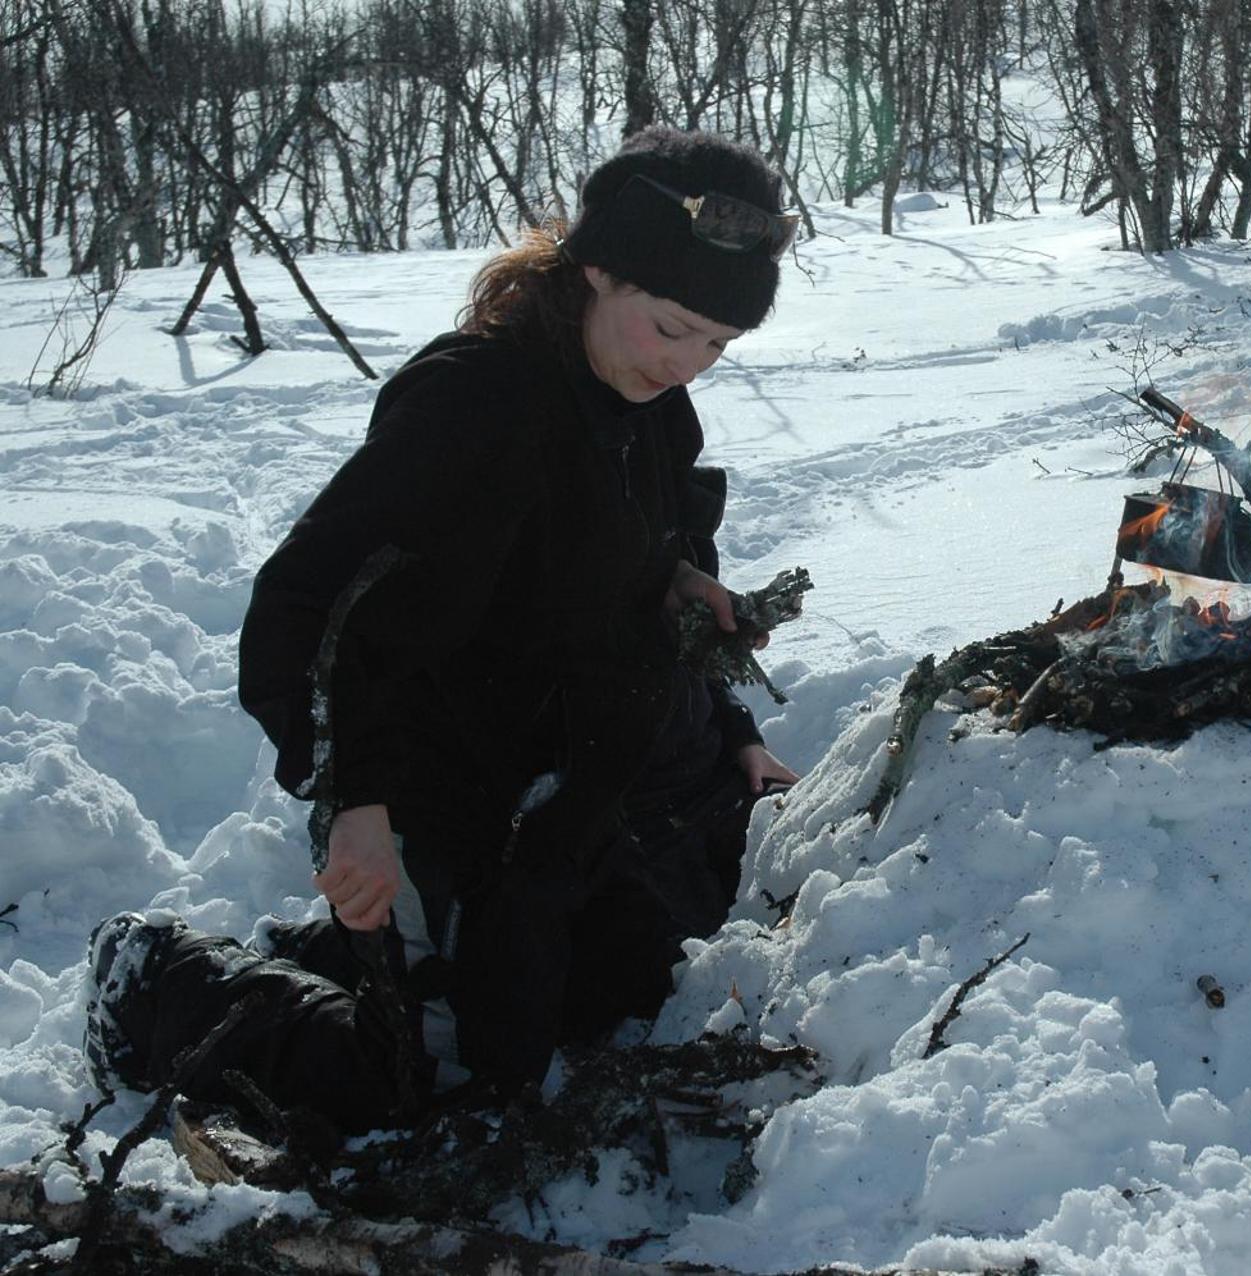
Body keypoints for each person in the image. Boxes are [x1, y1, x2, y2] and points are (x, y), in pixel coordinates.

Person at [82, 126, 802, 1135]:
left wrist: (719, 687)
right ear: (599, 268)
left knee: (616, 1001)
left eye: (718, 347)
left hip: (574, 786)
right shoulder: (475, 404)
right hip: (447, 783)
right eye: (673, 328)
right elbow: (309, 614)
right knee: (440, 1089)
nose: (687, 367)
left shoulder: (651, 411)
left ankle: (402, 964)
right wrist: (356, 805)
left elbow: (632, 567)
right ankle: (159, 978)